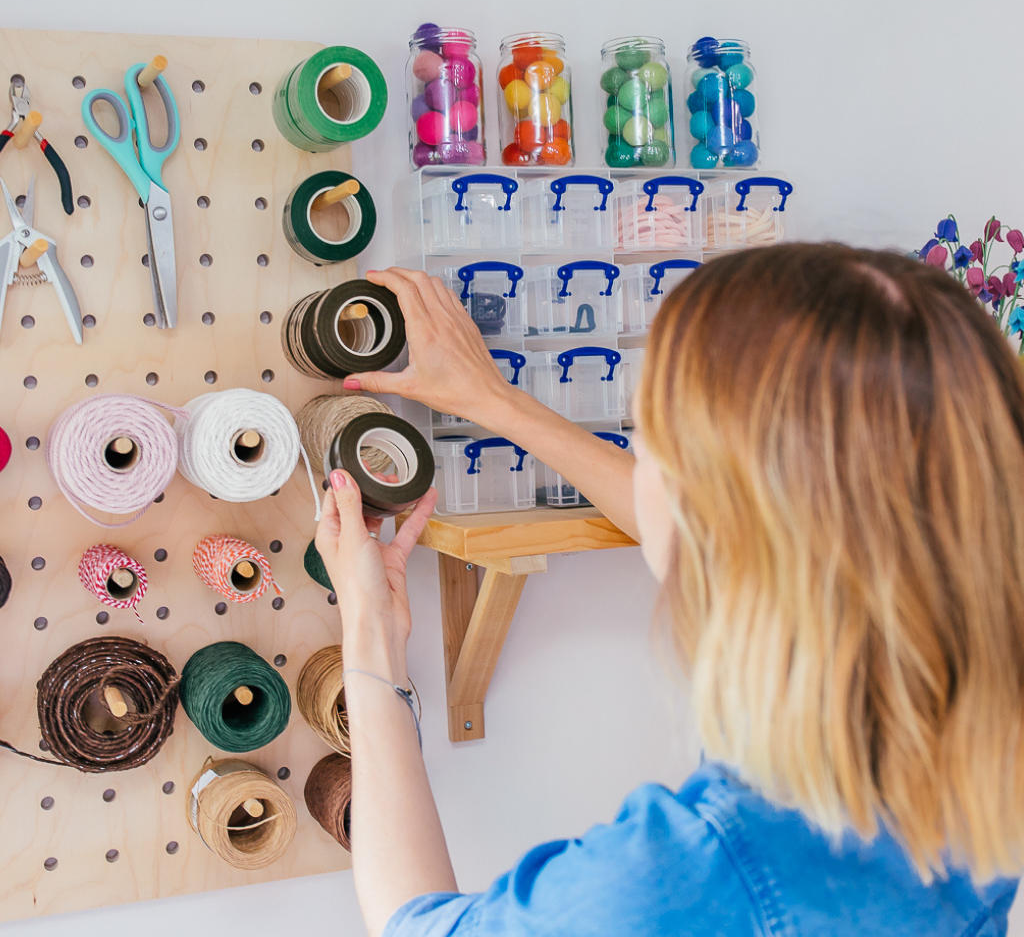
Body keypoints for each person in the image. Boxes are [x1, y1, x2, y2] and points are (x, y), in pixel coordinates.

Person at [314, 245, 1024, 937]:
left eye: (645, 434)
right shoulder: (978, 749)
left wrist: (371, 637)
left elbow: (416, 926)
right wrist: (493, 401)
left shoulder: (695, 876)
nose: (639, 459)